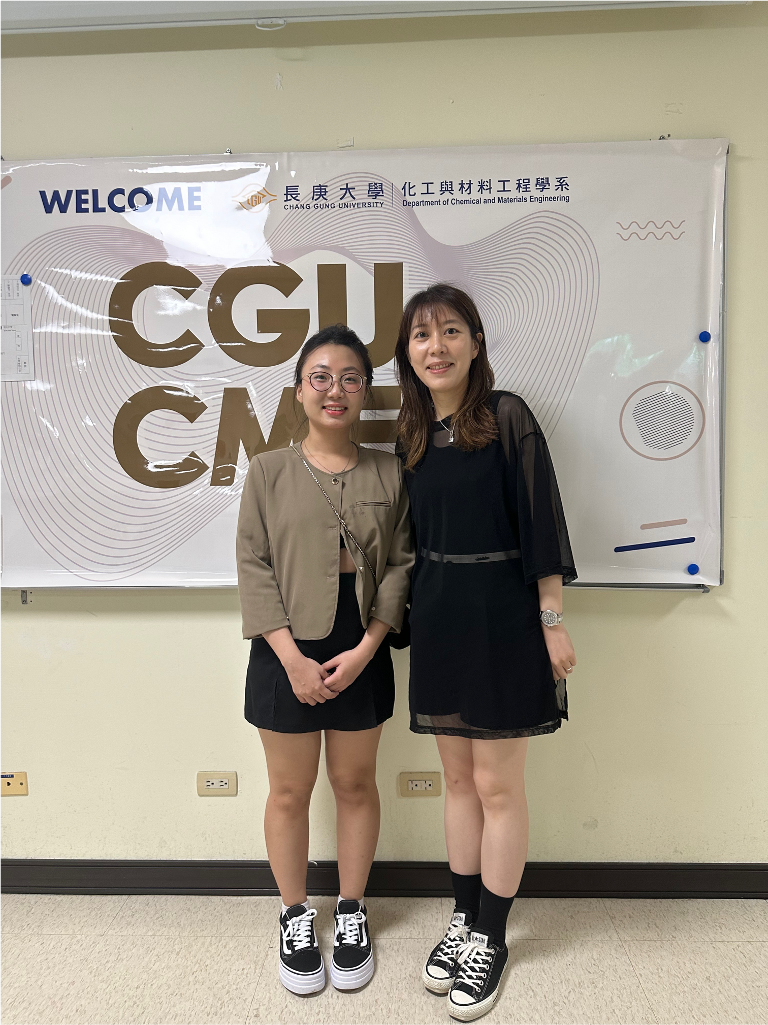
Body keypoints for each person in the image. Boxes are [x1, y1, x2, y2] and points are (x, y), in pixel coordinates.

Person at [394, 284, 578, 1022]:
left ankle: (492, 939)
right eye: (421, 335)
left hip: (504, 618)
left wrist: (552, 619)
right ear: (407, 354)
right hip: (439, 620)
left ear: (474, 343)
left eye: (450, 331)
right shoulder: (411, 434)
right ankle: (464, 918)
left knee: (498, 787)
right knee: (458, 783)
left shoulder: (507, 416)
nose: (435, 346)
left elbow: (542, 522)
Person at [236, 325, 413, 996]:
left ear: (364, 391)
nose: (334, 389)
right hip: (283, 645)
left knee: (355, 783)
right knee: (288, 790)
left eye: (349, 378)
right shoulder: (267, 470)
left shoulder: (390, 471)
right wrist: (291, 659)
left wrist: (369, 647)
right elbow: (253, 567)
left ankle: (352, 909)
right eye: (320, 376)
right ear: (299, 391)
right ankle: (293, 915)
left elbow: (401, 565)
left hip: (361, 640)